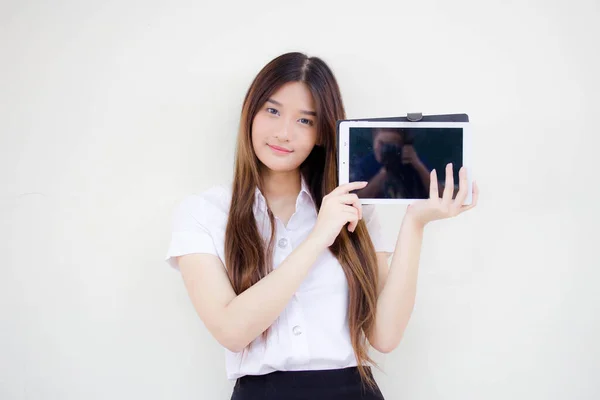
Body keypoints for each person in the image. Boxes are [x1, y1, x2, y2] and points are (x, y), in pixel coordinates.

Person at [165, 52, 479, 400]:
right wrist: (318, 237)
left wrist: (415, 223)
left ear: (321, 133)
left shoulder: (353, 211)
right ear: (250, 113)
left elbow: (385, 336)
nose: (284, 133)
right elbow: (232, 331)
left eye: (305, 121)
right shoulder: (204, 212)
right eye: (272, 111)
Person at [352, 128, 432, 199]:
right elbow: (357, 199)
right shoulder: (367, 163)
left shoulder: (412, 162)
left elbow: (441, 195)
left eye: (392, 145)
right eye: (382, 144)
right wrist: (385, 171)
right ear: (374, 141)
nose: (386, 149)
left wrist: (418, 164)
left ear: (402, 146)